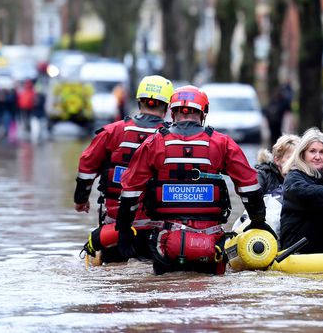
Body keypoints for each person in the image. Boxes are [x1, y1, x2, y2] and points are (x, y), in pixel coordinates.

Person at [115, 85, 274, 275]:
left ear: (172, 113)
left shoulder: (153, 143)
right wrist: (258, 222)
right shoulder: (222, 143)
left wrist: (124, 230)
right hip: (210, 241)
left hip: (165, 243)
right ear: (203, 113)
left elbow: (131, 190)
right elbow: (249, 186)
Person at [73, 75, 174, 263]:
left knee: (114, 279)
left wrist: (81, 199)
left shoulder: (112, 131)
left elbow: (87, 166)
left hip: (116, 227)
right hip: (159, 230)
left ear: (138, 101)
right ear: (167, 106)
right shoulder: (172, 140)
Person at [234, 134, 301, 236]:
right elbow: (253, 196)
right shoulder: (263, 174)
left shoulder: (304, 178)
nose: (294, 163)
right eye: (290, 158)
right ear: (277, 159)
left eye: (298, 159)